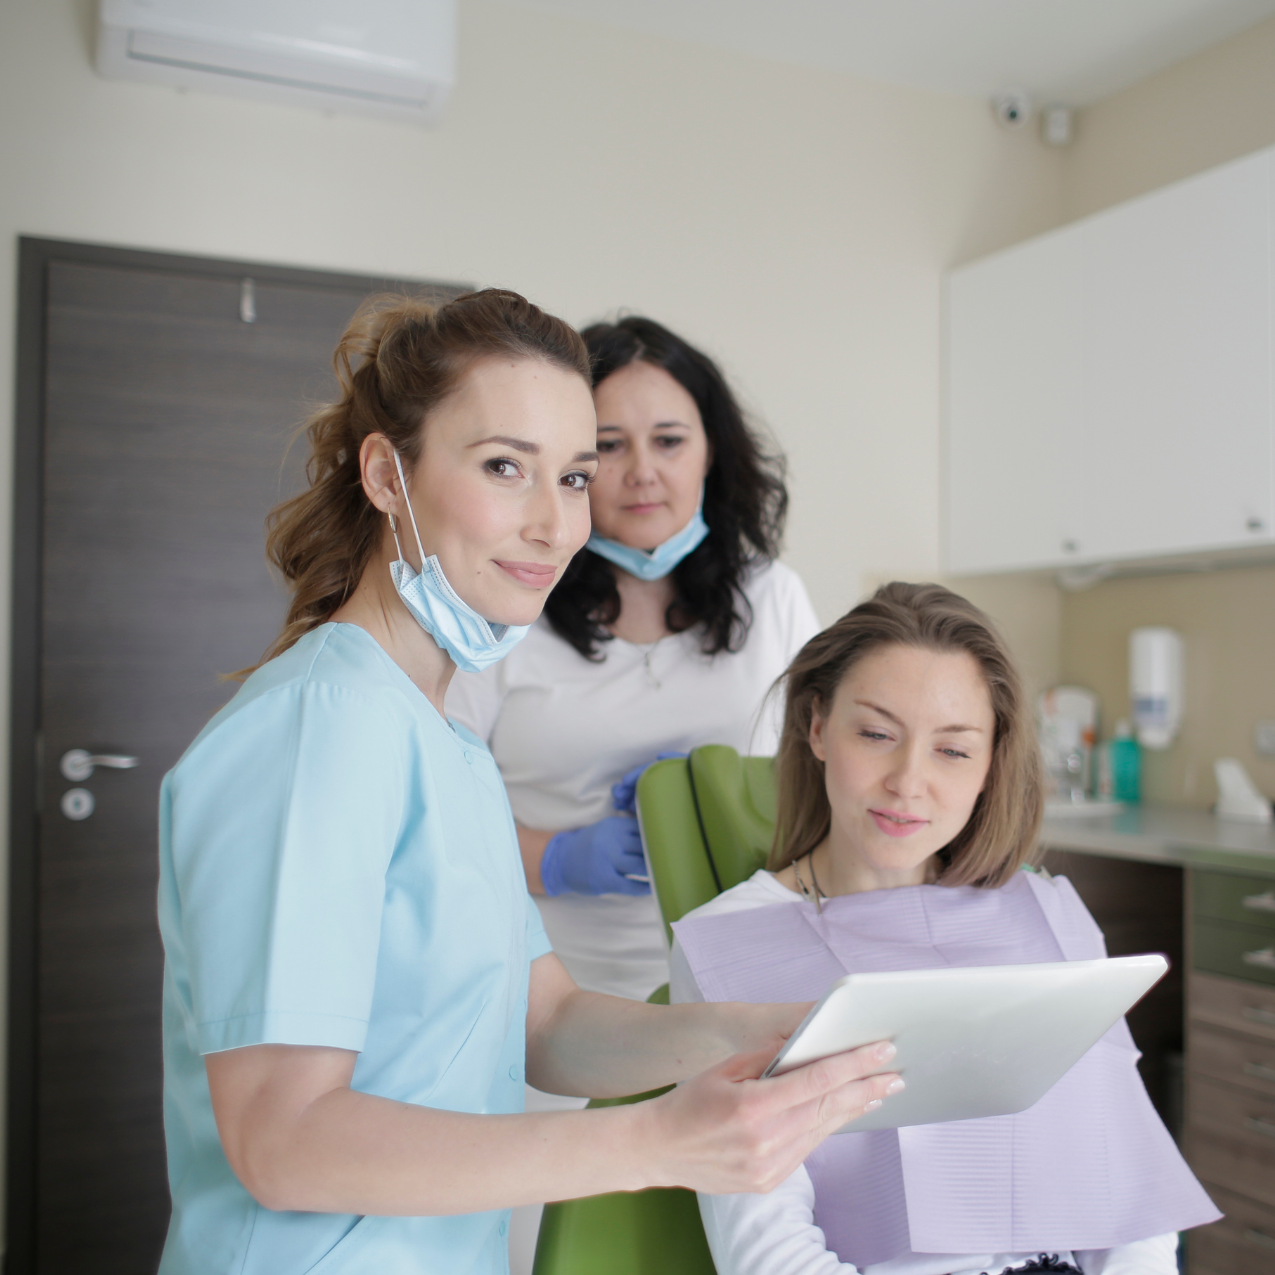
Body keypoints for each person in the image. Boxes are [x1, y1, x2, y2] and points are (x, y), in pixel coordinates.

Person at [155, 290, 900, 1275]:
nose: (555, 524)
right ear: (386, 475)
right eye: (505, 467)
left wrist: (784, 1033)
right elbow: (282, 1141)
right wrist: (655, 1142)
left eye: (573, 476)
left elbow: (545, 1023)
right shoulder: (317, 730)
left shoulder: (442, 740)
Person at [670, 582, 1219, 1275]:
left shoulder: (1045, 913)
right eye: (876, 734)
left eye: (953, 750)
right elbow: (768, 1252)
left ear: (991, 765)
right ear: (817, 727)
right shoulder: (728, 944)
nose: (908, 782)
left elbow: (1129, 1199)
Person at [447, 316, 820, 1004]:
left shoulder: (774, 598)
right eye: (609, 445)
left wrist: (730, 793)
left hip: (741, 986)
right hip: (545, 993)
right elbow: (434, 815)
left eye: (669, 441)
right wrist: (554, 858)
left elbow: (828, 785)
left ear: (711, 451)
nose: (642, 472)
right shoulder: (505, 606)